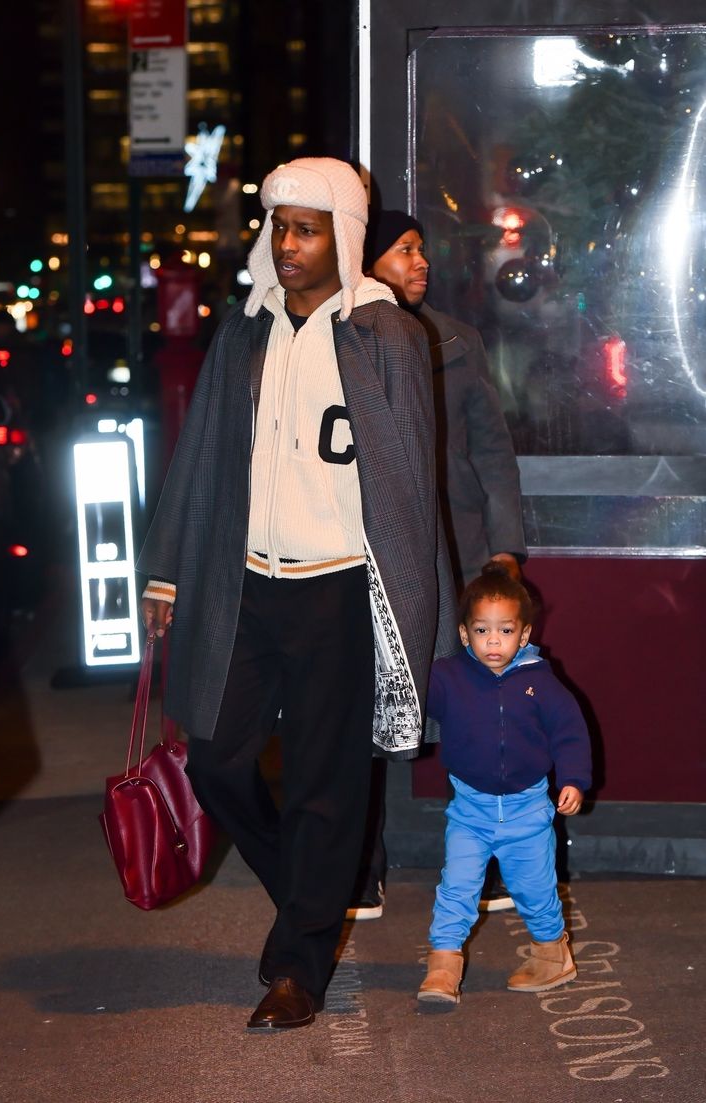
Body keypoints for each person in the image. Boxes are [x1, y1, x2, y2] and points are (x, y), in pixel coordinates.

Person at [137, 158, 458, 1033]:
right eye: (279, 226)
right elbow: (200, 455)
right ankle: (312, 893)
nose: (287, 244)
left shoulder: (384, 334)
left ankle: (297, 967)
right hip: (243, 585)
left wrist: (418, 601)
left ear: (342, 238)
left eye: (306, 229)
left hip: (339, 591)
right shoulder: (244, 332)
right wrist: (168, 568)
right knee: (214, 759)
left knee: (324, 782)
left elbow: (409, 481)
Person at [347, 210, 527, 920]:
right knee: (362, 706)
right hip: (378, 552)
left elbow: (492, 452)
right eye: (404, 250)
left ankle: (490, 864)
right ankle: (360, 867)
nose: (420, 262)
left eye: (422, 250)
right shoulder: (341, 337)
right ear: (367, 262)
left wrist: (503, 549)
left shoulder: (455, 338)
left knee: (479, 711)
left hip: (459, 548)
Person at [416, 562, 591, 1008]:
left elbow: (569, 733)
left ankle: (552, 957)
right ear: (464, 634)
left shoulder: (541, 682)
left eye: (505, 631)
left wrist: (573, 779)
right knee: (456, 888)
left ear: (524, 634)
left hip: (528, 812)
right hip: (469, 812)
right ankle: (442, 967)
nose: (493, 642)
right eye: (482, 630)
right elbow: (412, 698)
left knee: (536, 892)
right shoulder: (447, 677)